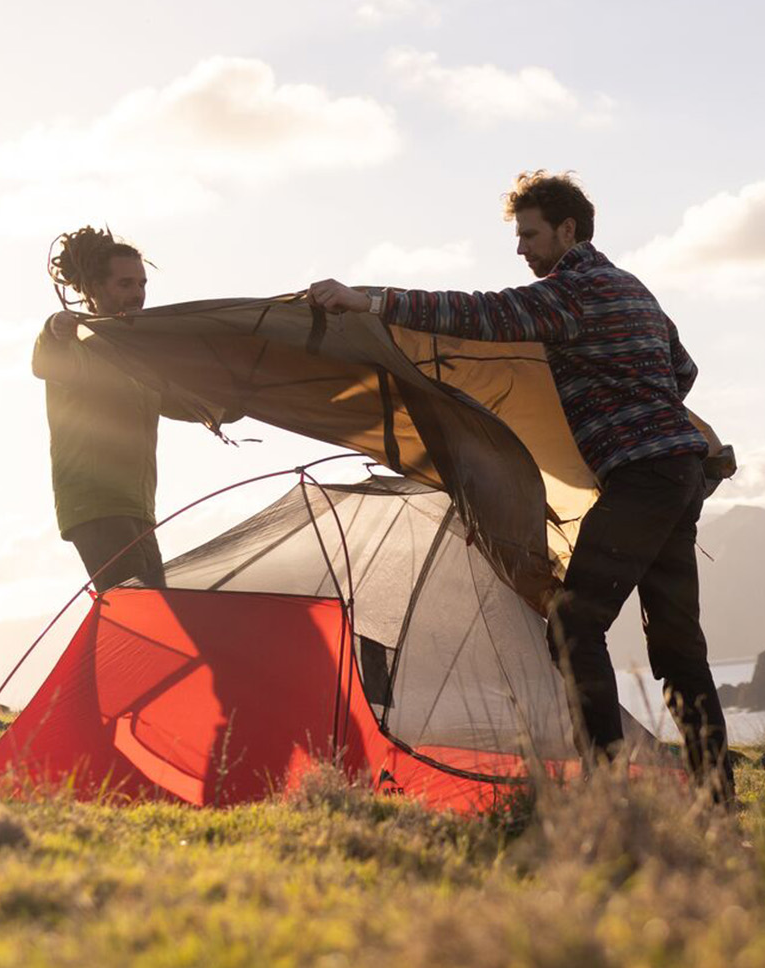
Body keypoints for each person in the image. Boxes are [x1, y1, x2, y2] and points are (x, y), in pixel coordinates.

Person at [307, 171, 734, 802]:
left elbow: (478, 313)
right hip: (679, 472)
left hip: (644, 478)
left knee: (572, 622)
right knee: (676, 647)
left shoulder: (571, 292)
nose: (521, 249)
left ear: (568, 230)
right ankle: (716, 801)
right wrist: (633, 402)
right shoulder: (632, 288)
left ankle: (610, 790)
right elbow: (683, 369)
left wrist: (369, 302)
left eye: (530, 235)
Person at [32, 226, 200, 591]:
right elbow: (47, 361)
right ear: (94, 289)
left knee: (150, 612)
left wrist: (239, 398)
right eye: (125, 284)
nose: (137, 294)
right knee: (144, 610)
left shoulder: (134, 356)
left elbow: (187, 401)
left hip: (137, 508)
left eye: (141, 284)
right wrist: (52, 327)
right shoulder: (77, 346)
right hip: (97, 506)